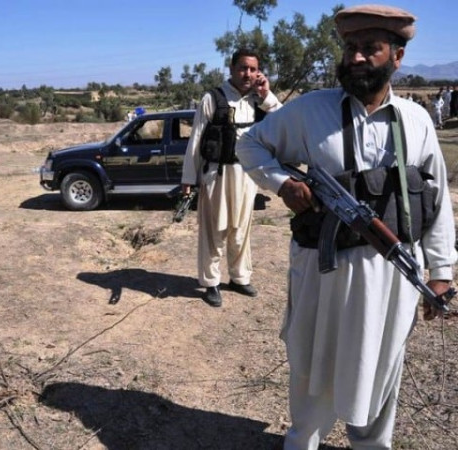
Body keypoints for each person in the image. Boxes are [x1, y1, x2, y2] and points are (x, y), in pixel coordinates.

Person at [236, 5, 456, 449]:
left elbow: (436, 204)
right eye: (350, 47)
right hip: (325, 272)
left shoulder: (416, 122)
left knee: (380, 370)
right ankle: (303, 440)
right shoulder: (310, 111)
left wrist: (441, 272)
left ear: (397, 57)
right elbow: (250, 144)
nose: (356, 57)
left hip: (392, 277)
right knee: (312, 367)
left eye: (370, 48)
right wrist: (283, 185)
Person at [181, 49, 282, 307]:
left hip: (246, 175)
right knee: (215, 230)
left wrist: (266, 94)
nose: (247, 74)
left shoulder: (258, 100)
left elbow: (283, 122)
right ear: (232, 69)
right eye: (243, 68)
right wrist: (188, 179)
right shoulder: (213, 98)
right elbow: (196, 140)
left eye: (253, 69)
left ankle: (239, 277)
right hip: (217, 173)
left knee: (240, 229)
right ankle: (211, 282)